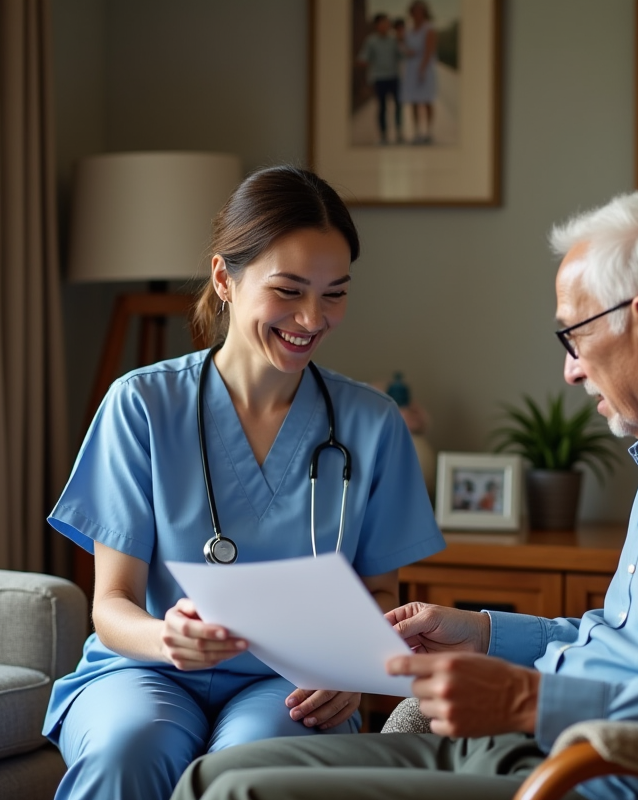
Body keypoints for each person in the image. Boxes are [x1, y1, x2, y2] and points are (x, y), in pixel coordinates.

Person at [171, 190, 638, 800]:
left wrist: (527, 699)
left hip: (601, 779)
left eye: (573, 338)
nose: (571, 373)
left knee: (241, 791)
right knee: (213, 776)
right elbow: (627, 650)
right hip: (545, 751)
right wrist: (483, 632)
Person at [43, 165, 446, 800]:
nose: (312, 318)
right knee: (129, 747)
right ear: (224, 278)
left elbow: (378, 593)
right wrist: (166, 637)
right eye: (288, 291)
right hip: (147, 667)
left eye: (335, 293)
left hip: (287, 684)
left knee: (252, 767)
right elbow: (112, 605)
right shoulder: (142, 405)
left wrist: (351, 669)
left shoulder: (371, 424)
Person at [356, 13, 403, 144]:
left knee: (398, 105)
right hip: (379, 78)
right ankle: (383, 134)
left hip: (394, 76)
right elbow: (363, 58)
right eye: (383, 23)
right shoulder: (371, 41)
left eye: (387, 23)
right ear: (377, 25)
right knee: (382, 107)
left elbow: (402, 55)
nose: (385, 26)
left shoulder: (394, 39)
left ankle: (399, 132)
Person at [400, 0, 438, 144]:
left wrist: (422, 69)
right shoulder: (408, 30)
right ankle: (416, 132)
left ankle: (428, 131)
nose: (417, 14)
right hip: (411, 67)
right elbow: (404, 46)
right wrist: (406, 50)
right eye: (415, 11)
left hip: (424, 67)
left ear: (424, 12)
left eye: (420, 11)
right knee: (414, 101)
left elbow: (429, 50)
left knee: (427, 100)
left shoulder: (429, 28)